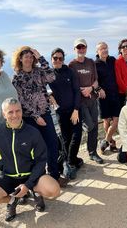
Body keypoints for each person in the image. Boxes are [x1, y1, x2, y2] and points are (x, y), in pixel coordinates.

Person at [11, 46, 67, 187]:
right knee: (35, 149)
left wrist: (41, 58)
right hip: (30, 118)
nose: (29, 59)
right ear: (20, 58)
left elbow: (51, 76)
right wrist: (36, 116)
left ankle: (54, 176)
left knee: (52, 143)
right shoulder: (17, 77)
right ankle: (37, 180)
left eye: (31, 56)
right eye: (26, 56)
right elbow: (21, 100)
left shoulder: (39, 72)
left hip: (45, 113)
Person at [48, 48, 84, 180]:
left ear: (63, 60)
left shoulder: (70, 71)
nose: (57, 60)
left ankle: (70, 162)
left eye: (60, 58)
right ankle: (71, 162)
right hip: (61, 112)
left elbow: (76, 91)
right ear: (51, 59)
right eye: (55, 58)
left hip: (74, 110)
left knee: (77, 136)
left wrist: (76, 110)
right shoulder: (49, 74)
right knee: (66, 138)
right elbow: (43, 88)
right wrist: (49, 94)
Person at [68, 38, 104, 164]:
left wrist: (90, 88)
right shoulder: (72, 65)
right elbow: (71, 84)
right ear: (74, 49)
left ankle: (92, 152)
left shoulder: (90, 62)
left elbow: (96, 80)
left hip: (93, 99)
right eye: (79, 47)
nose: (81, 49)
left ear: (86, 48)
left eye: (83, 47)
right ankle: (82, 127)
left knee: (94, 127)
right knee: (90, 126)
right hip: (80, 102)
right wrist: (81, 90)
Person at [95, 42, 120, 154]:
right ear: (97, 51)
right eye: (101, 49)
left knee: (116, 120)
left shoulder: (113, 60)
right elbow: (93, 80)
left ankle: (105, 140)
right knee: (106, 120)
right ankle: (112, 142)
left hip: (115, 94)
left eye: (105, 48)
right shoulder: (95, 64)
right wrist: (99, 89)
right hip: (103, 96)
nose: (104, 50)